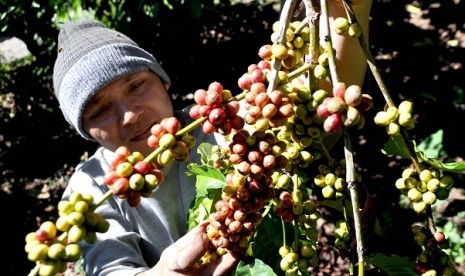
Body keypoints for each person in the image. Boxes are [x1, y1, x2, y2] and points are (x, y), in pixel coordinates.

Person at [52, 0, 372, 275]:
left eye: (136, 86)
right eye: (100, 111)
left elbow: (313, 107)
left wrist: (347, 9)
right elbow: (109, 265)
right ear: (85, 131)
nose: (129, 114)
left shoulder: (212, 122)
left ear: (163, 82)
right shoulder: (89, 191)